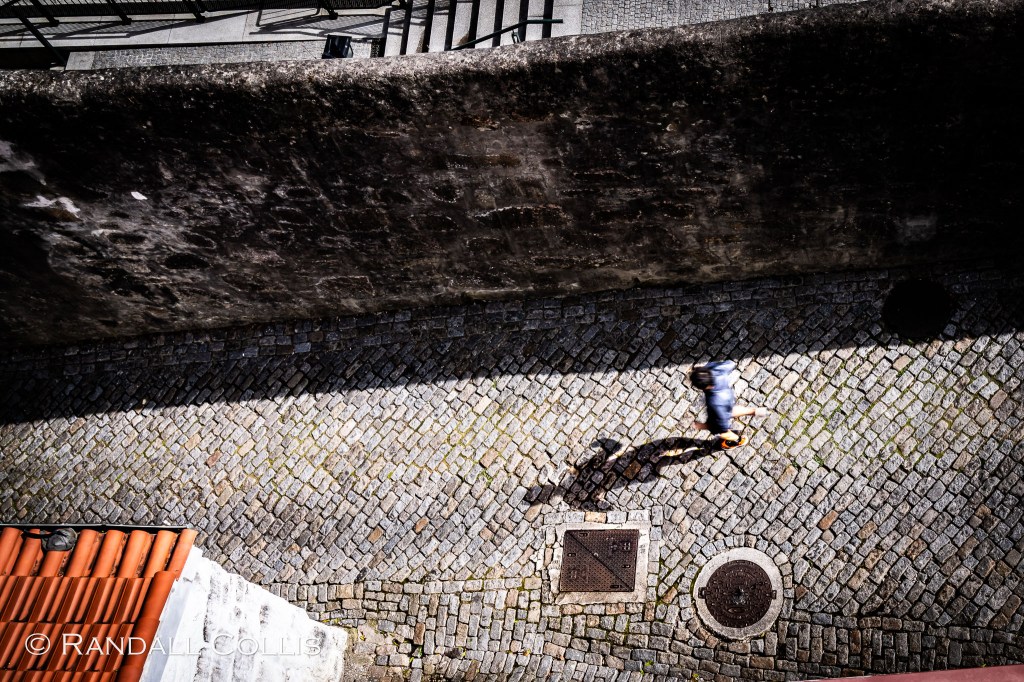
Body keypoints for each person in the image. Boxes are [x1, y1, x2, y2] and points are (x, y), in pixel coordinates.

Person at [689, 361, 767, 449]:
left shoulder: (714, 402)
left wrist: (702, 426)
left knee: (722, 432)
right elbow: (730, 364)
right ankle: (755, 411)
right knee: (730, 410)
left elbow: (720, 426)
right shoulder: (713, 369)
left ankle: (739, 440)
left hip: (721, 405)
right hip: (728, 396)